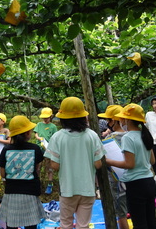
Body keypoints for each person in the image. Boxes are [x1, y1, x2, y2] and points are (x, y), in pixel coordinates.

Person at [44, 97, 105, 229]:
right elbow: (98, 164)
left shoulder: (58, 137)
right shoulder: (92, 135)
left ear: (63, 118)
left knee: (65, 224)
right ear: (83, 117)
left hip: (67, 189)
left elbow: (54, 165)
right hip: (88, 189)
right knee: (83, 225)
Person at [106, 103, 156, 229]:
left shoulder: (128, 138)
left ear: (127, 119)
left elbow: (129, 164)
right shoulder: (146, 135)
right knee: (151, 221)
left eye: (122, 118)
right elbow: (152, 161)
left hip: (136, 184)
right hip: (150, 181)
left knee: (139, 223)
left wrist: (108, 161)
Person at [0, 115, 45, 229]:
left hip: (11, 191)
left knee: (11, 223)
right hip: (30, 191)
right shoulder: (35, 149)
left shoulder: (7, 149)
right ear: (28, 133)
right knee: (31, 223)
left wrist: (7, 180)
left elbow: (2, 171)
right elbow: (37, 169)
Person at [98, 105, 129, 229]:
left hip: (117, 180)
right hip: (136, 179)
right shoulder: (133, 135)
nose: (107, 123)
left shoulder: (109, 139)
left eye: (108, 120)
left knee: (121, 214)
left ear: (114, 121)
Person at [34, 107, 58, 194]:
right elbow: (36, 134)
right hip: (39, 148)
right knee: (38, 166)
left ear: (51, 116)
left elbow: (55, 137)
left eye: (47, 117)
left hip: (49, 148)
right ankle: (37, 183)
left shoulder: (53, 126)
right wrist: (39, 138)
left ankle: (50, 184)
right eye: (44, 117)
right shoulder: (39, 125)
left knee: (49, 167)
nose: (45, 119)